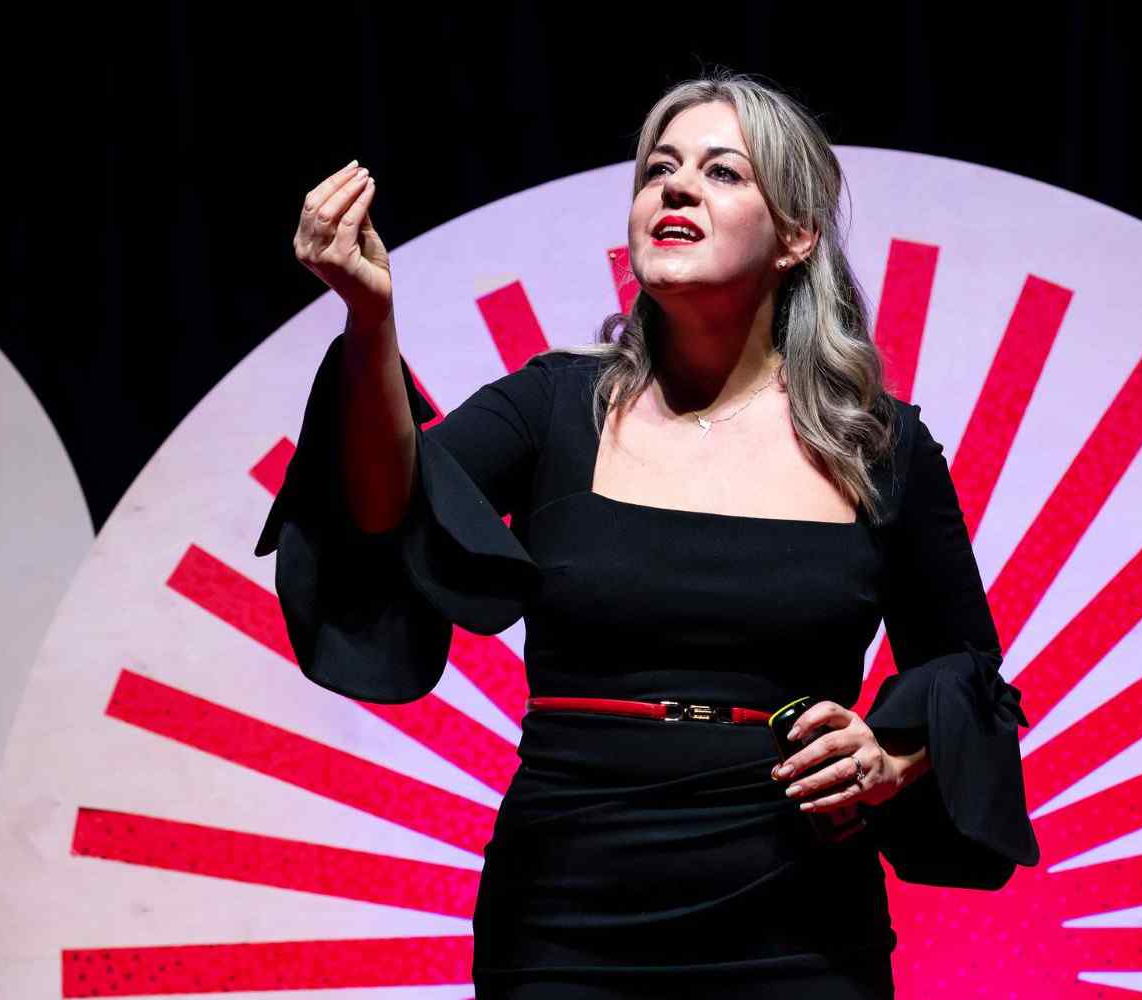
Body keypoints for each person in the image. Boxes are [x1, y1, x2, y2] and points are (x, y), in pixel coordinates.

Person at [256, 69, 1038, 999]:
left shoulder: (881, 446)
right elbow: (384, 511)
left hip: (800, 920)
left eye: (721, 174)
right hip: (565, 914)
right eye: (659, 169)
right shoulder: (553, 404)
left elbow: (967, 672)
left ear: (796, 235)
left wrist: (891, 757)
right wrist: (370, 317)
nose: (674, 188)